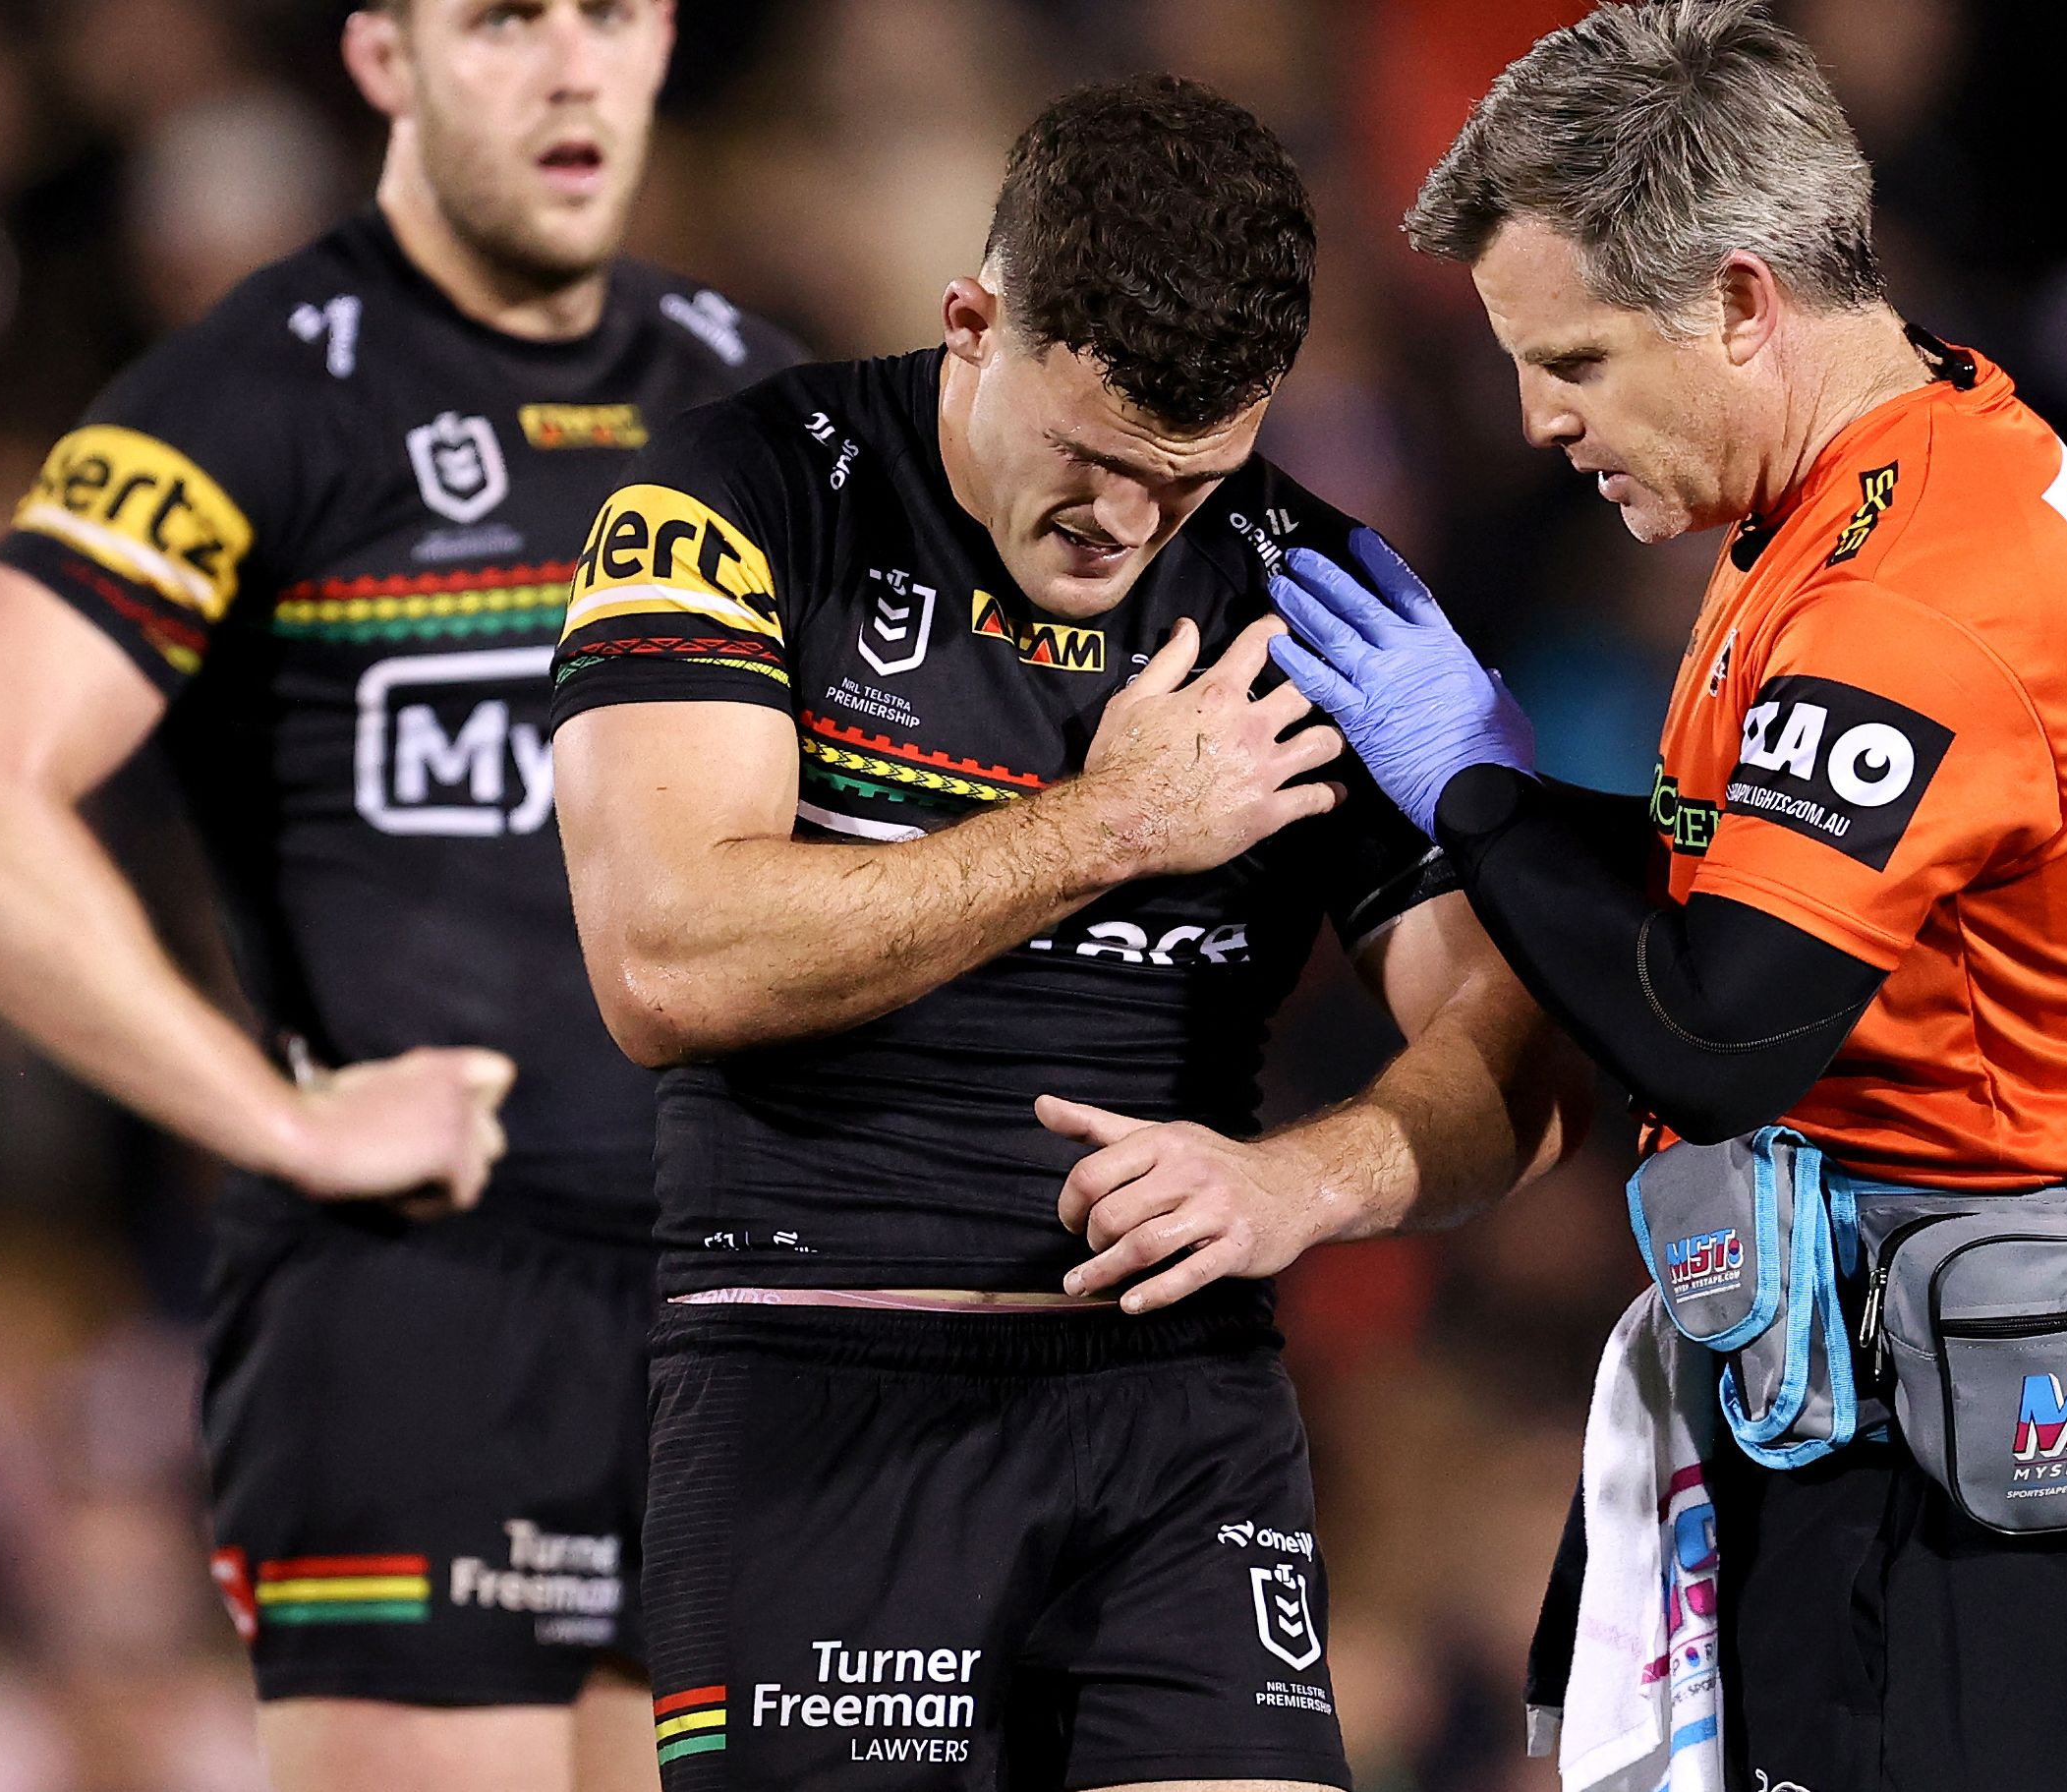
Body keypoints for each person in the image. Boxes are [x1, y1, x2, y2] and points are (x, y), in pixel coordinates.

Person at [548, 76, 1578, 1792]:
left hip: (1178, 1410)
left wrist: (1296, 1186)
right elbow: (666, 961)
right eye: (1091, 459)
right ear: (973, 323)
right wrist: (1109, 829)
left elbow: (1518, 1058)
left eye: (1188, 478)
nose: (1128, 525)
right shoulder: (734, 502)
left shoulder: (1303, 591)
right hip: (824, 1383)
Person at [1266, 6, 2067, 1791]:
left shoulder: (1910, 603)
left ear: (1736, 300)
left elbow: (1718, 1026)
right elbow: (1786, 901)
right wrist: (1481, 789)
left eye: (1572, 357)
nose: (1538, 420)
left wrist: (1477, 790)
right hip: (1958, 1395)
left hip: (1956, 1472)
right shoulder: (1904, 466)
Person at [0, 4, 796, 1788]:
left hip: (727, 1311)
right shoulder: (257, 393)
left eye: (612, 13)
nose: (571, 66)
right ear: (382, 57)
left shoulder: (757, 389)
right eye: (506, 20)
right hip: (421, 1309)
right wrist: (276, 1118)